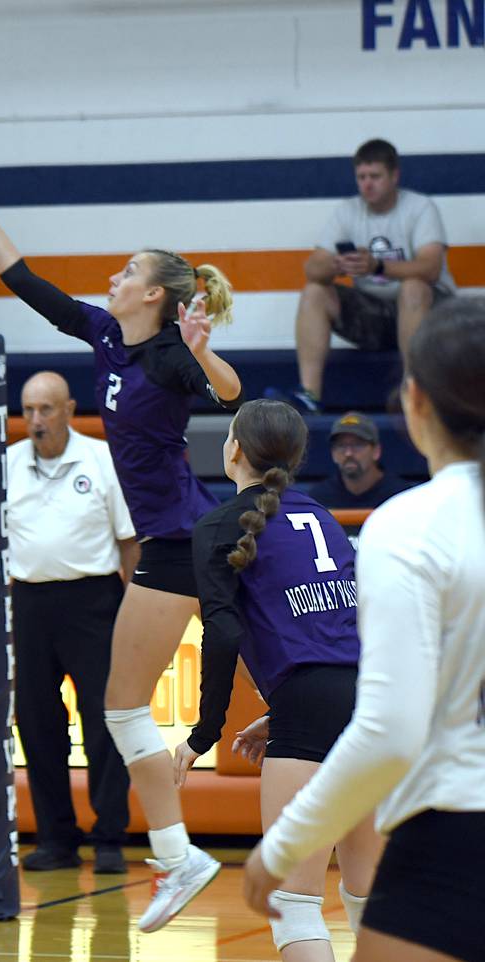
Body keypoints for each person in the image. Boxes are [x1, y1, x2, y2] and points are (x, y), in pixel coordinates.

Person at [0, 143, 243, 933]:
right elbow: (22, 279)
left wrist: (205, 349)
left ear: (158, 296)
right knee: (123, 708)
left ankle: (182, 857)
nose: (112, 279)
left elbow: (232, 393)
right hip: (177, 545)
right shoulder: (107, 336)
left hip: (179, 540)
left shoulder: (173, 354)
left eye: (127, 272)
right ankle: (179, 858)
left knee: (128, 707)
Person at [244, 296, 485, 962]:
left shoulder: (406, 526)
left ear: (415, 403)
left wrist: (284, 847)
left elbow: (389, 732)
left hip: (457, 823)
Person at [173, 398, 382, 960]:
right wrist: (282, 705)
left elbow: (220, 636)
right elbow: (347, 626)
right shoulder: (323, 516)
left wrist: (201, 736)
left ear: (233, 448)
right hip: (369, 703)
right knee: (368, 899)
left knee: (295, 906)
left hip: (311, 708)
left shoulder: (218, 525)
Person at [8, 370, 138, 874]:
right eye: (28, 410)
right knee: (38, 725)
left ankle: (109, 837)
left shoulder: (100, 459)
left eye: (45, 409)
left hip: (94, 602)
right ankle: (56, 840)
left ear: (68, 410)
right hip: (31, 603)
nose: (36, 420)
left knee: (105, 724)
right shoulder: (7, 465)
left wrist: (131, 610)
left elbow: (129, 541)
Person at [269, 138, 456, 414]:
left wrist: (378, 267)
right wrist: (338, 264)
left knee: (413, 287)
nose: (367, 184)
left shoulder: (420, 208)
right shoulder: (348, 212)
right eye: (362, 177)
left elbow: (430, 267)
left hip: (430, 316)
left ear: (394, 176)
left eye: (375, 177)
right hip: (376, 316)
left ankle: (412, 392)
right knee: (315, 291)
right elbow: (312, 269)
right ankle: (309, 395)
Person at [308, 411, 413, 509]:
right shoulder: (318, 499)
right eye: (341, 446)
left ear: (376, 451)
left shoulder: (401, 497)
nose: (348, 453)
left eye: (358, 445)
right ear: (333, 454)